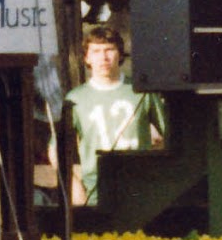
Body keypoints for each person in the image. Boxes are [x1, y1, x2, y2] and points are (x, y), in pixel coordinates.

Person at [65, 26, 166, 206]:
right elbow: (55, 149)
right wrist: (74, 186)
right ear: (87, 58)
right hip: (96, 193)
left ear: (120, 54)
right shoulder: (75, 99)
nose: (103, 58)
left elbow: (172, 135)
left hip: (140, 191)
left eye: (109, 50)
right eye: (96, 51)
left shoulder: (142, 92)